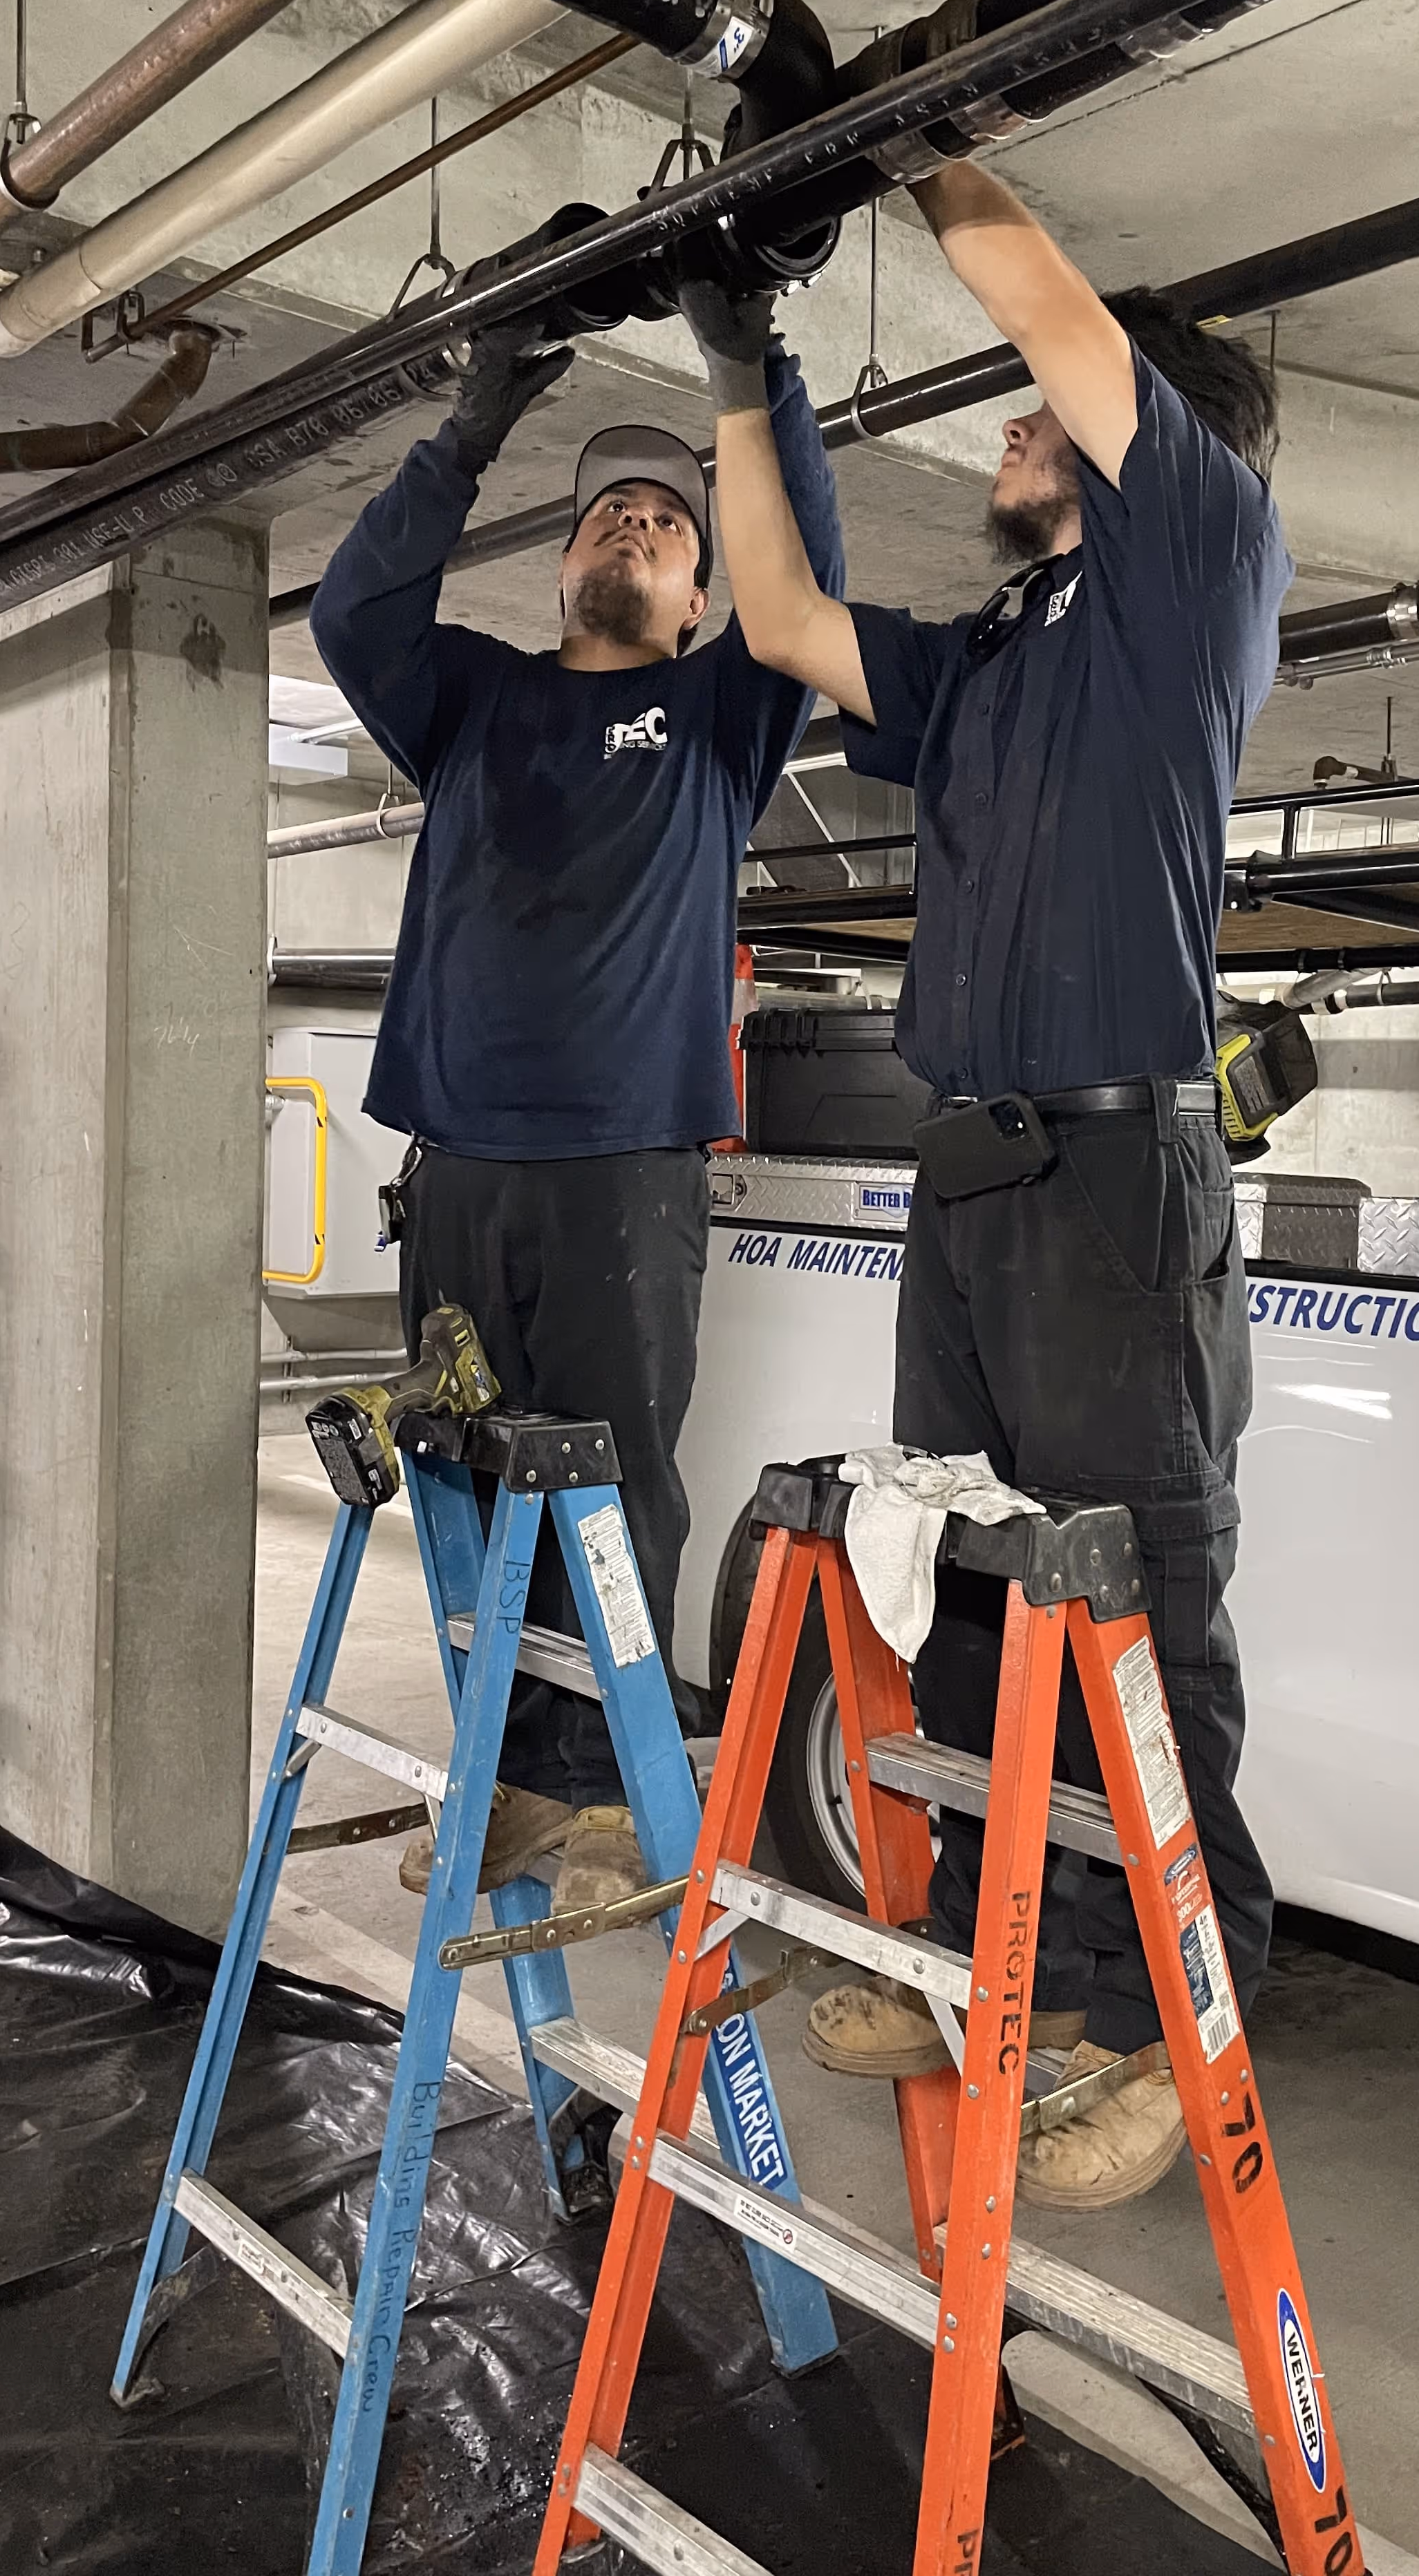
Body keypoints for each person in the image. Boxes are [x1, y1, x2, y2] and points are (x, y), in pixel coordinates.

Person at [684, 162, 1289, 2210]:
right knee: (954, 1575)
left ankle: (1156, 2010)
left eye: (1039, 420)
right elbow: (774, 618)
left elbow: (1065, 330)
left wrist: (923, 139)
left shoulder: (1191, 554)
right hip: (970, 1180)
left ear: (1141, 453)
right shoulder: (1002, 653)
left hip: (1118, 1167)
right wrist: (738, 367)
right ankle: (983, 1962)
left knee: (1138, 1602)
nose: (1010, 431)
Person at [310, 294, 842, 1917]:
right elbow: (349, 615)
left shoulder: (721, 715)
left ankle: (600, 1778)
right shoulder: (469, 694)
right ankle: (512, 1778)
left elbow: (801, 568)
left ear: (697, 589)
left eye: (672, 523)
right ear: (562, 569)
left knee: (607, 1478)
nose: (638, 521)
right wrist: (473, 426)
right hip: (459, 1169)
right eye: (613, 508)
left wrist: (759, 367)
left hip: (623, 1178)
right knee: (469, 1481)